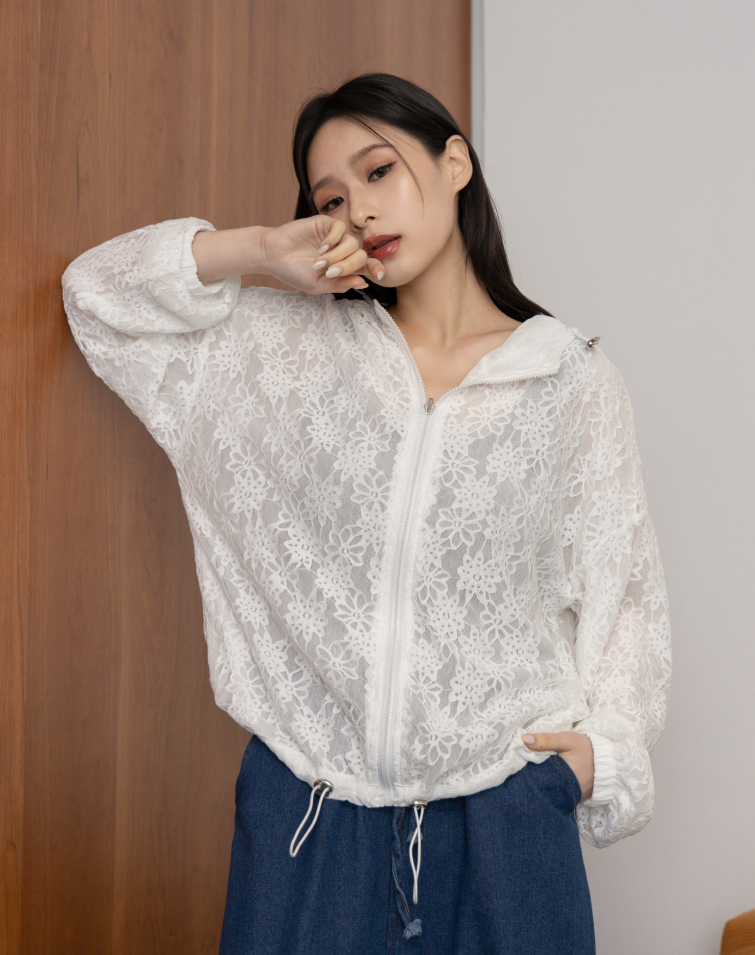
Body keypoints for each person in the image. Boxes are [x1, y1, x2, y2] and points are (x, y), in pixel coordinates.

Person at [61, 72, 671, 955]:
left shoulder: (570, 382)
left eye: (379, 171)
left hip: (502, 819)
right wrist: (260, 250)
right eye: (331, 199)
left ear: (454, 162)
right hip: (308, 821)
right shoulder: (282, 352)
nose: (360, 211)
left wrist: (595, 761)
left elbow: (626, 601)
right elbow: (96, 293)